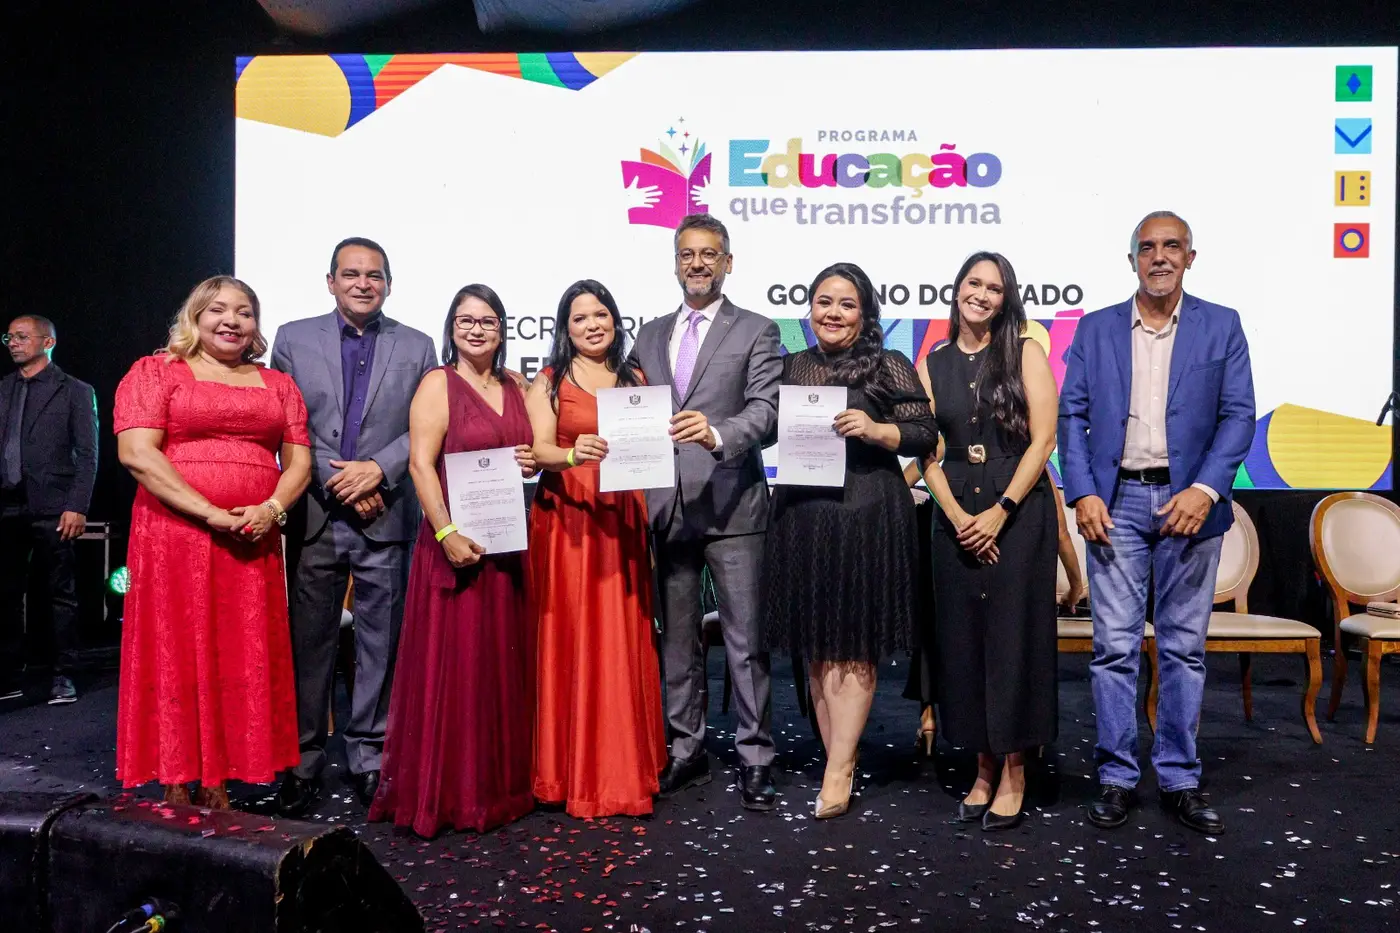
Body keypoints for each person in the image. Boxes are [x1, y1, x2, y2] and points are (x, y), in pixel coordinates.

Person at [1059, 211, 1254, 835]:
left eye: (1172, 246)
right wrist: (1083, 492)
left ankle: (1179, 779)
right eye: (1148, 248)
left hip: (1189, 504)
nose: (1160, 257)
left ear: (1190, 258)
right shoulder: (1095, 328)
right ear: (1132, 260)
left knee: (1183, 650)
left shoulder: (1222, 325)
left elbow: (1239, 417)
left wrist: (1204, 489)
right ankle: (1117, 777)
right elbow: (1072, 417)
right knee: (1114, 648)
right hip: (1114, 503)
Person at [114, 276, 311, 808]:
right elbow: (137, 454)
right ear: (195, 317)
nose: (232, 320)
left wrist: (271, 509)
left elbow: (299, 462)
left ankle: (220, 778)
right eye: (218, 310)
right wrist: (209, 512)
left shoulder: (279, 385)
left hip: (251, 538)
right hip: (174, 535)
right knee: (178, 647)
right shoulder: (156, 372)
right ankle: (177, 775)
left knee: (238, 652)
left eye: (244, 312)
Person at [271, 237, 438, 816]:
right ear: (331, 281)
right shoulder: (293, 338)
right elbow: (287, 423)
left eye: (374, 275)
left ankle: (370, 756)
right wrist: (340, 479)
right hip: (316, 514)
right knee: (308, 643)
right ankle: (301, 760)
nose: (363, 284)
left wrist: (379, 471)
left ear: (388, 284)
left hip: (386, 513)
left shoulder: (417, 345)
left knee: (380, 645)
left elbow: (425, 425)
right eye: (351, 274)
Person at [765, 262, 938, 819]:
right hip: (802, 518)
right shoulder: (791, 366)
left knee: (853, 646)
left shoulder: (888, 364)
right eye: (823, 302)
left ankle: (839, 768)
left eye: (846, 304)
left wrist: (877, 429)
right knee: (818, 648)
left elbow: (925, 433)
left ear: (865, 313)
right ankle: (838, 755)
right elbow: (764, 425)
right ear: (809, 309)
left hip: (865, 519)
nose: (833, 313)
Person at [369, 284, 537, 836]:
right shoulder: (437, 383)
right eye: (466, 320)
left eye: (487, 321)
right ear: (452, 327)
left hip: (505, 548)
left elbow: (529, 454)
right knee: (458, 670)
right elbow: (421, 464)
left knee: (499, 668)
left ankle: (499, 786)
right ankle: (454, 793)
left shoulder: (516, 386)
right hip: (455, 547)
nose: (476, 330)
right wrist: (445, 532)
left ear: (502, 328)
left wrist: (532, 462)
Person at [627, 213, 782, 810]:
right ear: (675, 263)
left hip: (733, 507)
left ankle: (756, 756)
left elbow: (766, 411)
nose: (697, 263)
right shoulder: (648, 335)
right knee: (677, 641)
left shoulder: (758, 330)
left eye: (709, 254)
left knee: (746, 641)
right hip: (668, 509)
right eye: (687, 254)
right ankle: (686, 749)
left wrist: (718, 435)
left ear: (728, 263)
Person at [918, 252, 1059, 832]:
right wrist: (957, 517)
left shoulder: (1024, 352)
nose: (981, 294)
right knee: (964, 644)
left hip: (1017, 511)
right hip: (954, 513)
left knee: (1014, 641)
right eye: (973, 283)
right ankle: (981, 767)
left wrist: (1001, 512)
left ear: (1006, 300)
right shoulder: (934, 362)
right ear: (956, 290)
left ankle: (1016, 770)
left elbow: (1043, 440)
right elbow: (924, 450)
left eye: (994, 288)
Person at [525, 279, 666, 818]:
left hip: (622, 518)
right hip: (568, 522)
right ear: (565, 327)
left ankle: (622, 766)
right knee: (571, 638)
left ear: (615, 320)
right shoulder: (550, 380)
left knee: (619, 639)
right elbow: (537, 450)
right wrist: (571, 454)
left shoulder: (636, 379)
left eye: (600, 314)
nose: (592, 325)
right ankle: (564, 773)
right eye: (580, 317)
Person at [0, 315, 98, 705]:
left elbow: (88, 455)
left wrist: (77, 505)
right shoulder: (3, 389)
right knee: (6, 594)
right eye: (9, 337)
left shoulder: (74, 391)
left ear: (48, 342)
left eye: (22, 337)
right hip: (7, 505)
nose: (13, 343)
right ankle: (10, 674)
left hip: (54, 506)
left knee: (61, 594)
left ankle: (64, 675)